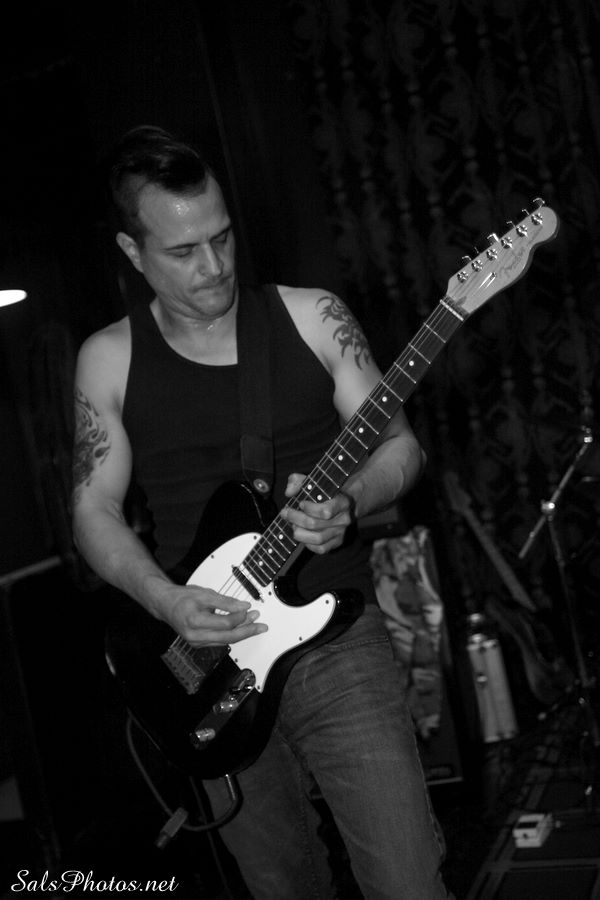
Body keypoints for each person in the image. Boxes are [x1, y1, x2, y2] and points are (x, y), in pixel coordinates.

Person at [71, 124, 452, 900]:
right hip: (203, 661)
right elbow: (93, 510)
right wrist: (165, 600)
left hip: (335, 640)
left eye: (222, 238)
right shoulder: (108, 358)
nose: (213, 266)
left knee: (408, 881)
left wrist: (351, 497)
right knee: (283, 886)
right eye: (183, 251)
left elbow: (402, 448)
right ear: (132, 251)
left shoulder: (312, 316)